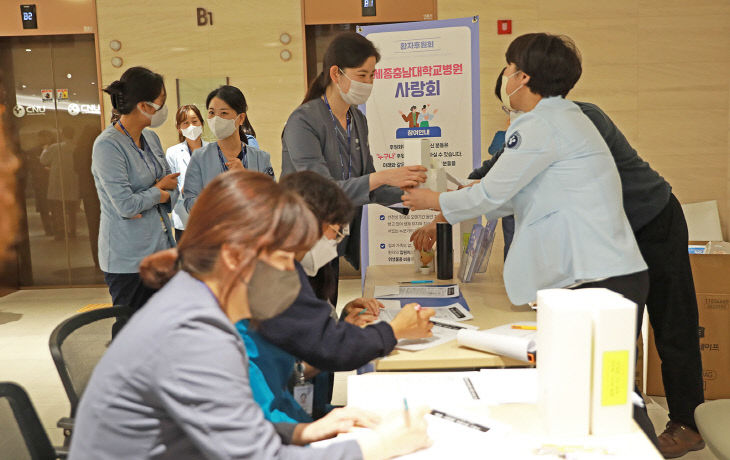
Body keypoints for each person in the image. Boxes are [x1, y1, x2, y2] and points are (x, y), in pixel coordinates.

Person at [415, 65, 706, 457]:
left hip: (650, 219)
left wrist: (445, 206)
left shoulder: (578, 118)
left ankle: (686, 424)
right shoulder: (532, 129)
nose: (510, 92)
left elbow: (499, 184)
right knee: (616, 340)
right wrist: (442, 213)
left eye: (515, 78)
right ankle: (625, 428)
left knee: (672, 323)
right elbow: (491, 178)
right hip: (607, 237)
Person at [69, 170, 431, 459]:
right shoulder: (194, 335)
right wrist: (380, 446)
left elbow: (233, 426)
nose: (292, 274)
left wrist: (302, 431)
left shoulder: (198, 305)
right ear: (234, 256)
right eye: (283, 258)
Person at [238, 171, 435, 423]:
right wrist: (395, 329)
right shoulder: (273, 275)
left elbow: (316, 339)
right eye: (336, 232)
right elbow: (327, 349)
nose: (336, 242)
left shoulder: (292, 269)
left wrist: (342, 325)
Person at [281, 32, 427, 305]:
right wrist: (382, 176)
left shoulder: (357, 119)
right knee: (304, 323)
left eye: (373, 75)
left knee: (327, 313)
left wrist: (414, 195)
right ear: (336, 74)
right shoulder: (303, 121)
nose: (369, 83)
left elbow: (368, 186)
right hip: (299, 243)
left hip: (331, 241)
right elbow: (320, 191)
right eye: (362, 75)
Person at [92, 66, 179, 322]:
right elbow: (126, 206)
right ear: (144, 105)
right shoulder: (107, 145)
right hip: (128, 259)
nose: (164, 109)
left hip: (162, 250)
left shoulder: (151, 139)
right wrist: (158, 194)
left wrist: (159, 195)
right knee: (132, 330)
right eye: (161, 103)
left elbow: (172, 186)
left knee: (163, 328)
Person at [183, 85, 274, 212]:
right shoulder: (200, 157)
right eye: (211, 113)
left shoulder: (261, 158)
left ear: (241, 118)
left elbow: (271, 202)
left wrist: (245, 179)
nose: (216, 119)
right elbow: (189, 201)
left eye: (224, 113)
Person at [165, 104, 208, 242]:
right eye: (185, 123)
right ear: (179, 128)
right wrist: (182, 190)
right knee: (186, 261)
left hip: (210, 216)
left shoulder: (213, 150)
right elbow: (170, 185)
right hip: (184, 218)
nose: (191, 126)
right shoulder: (173, 153)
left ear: (202, 123)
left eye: (195, 121)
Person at [40, 127, 80, 240]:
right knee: (72, 209)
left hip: (58, 182)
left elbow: (43, 160)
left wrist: (45, 149)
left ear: (62, 134)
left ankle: (60, 231)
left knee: (58, 209)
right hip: (73, 182)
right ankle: (72, 231)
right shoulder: (76, 147)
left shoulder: (55, 147)